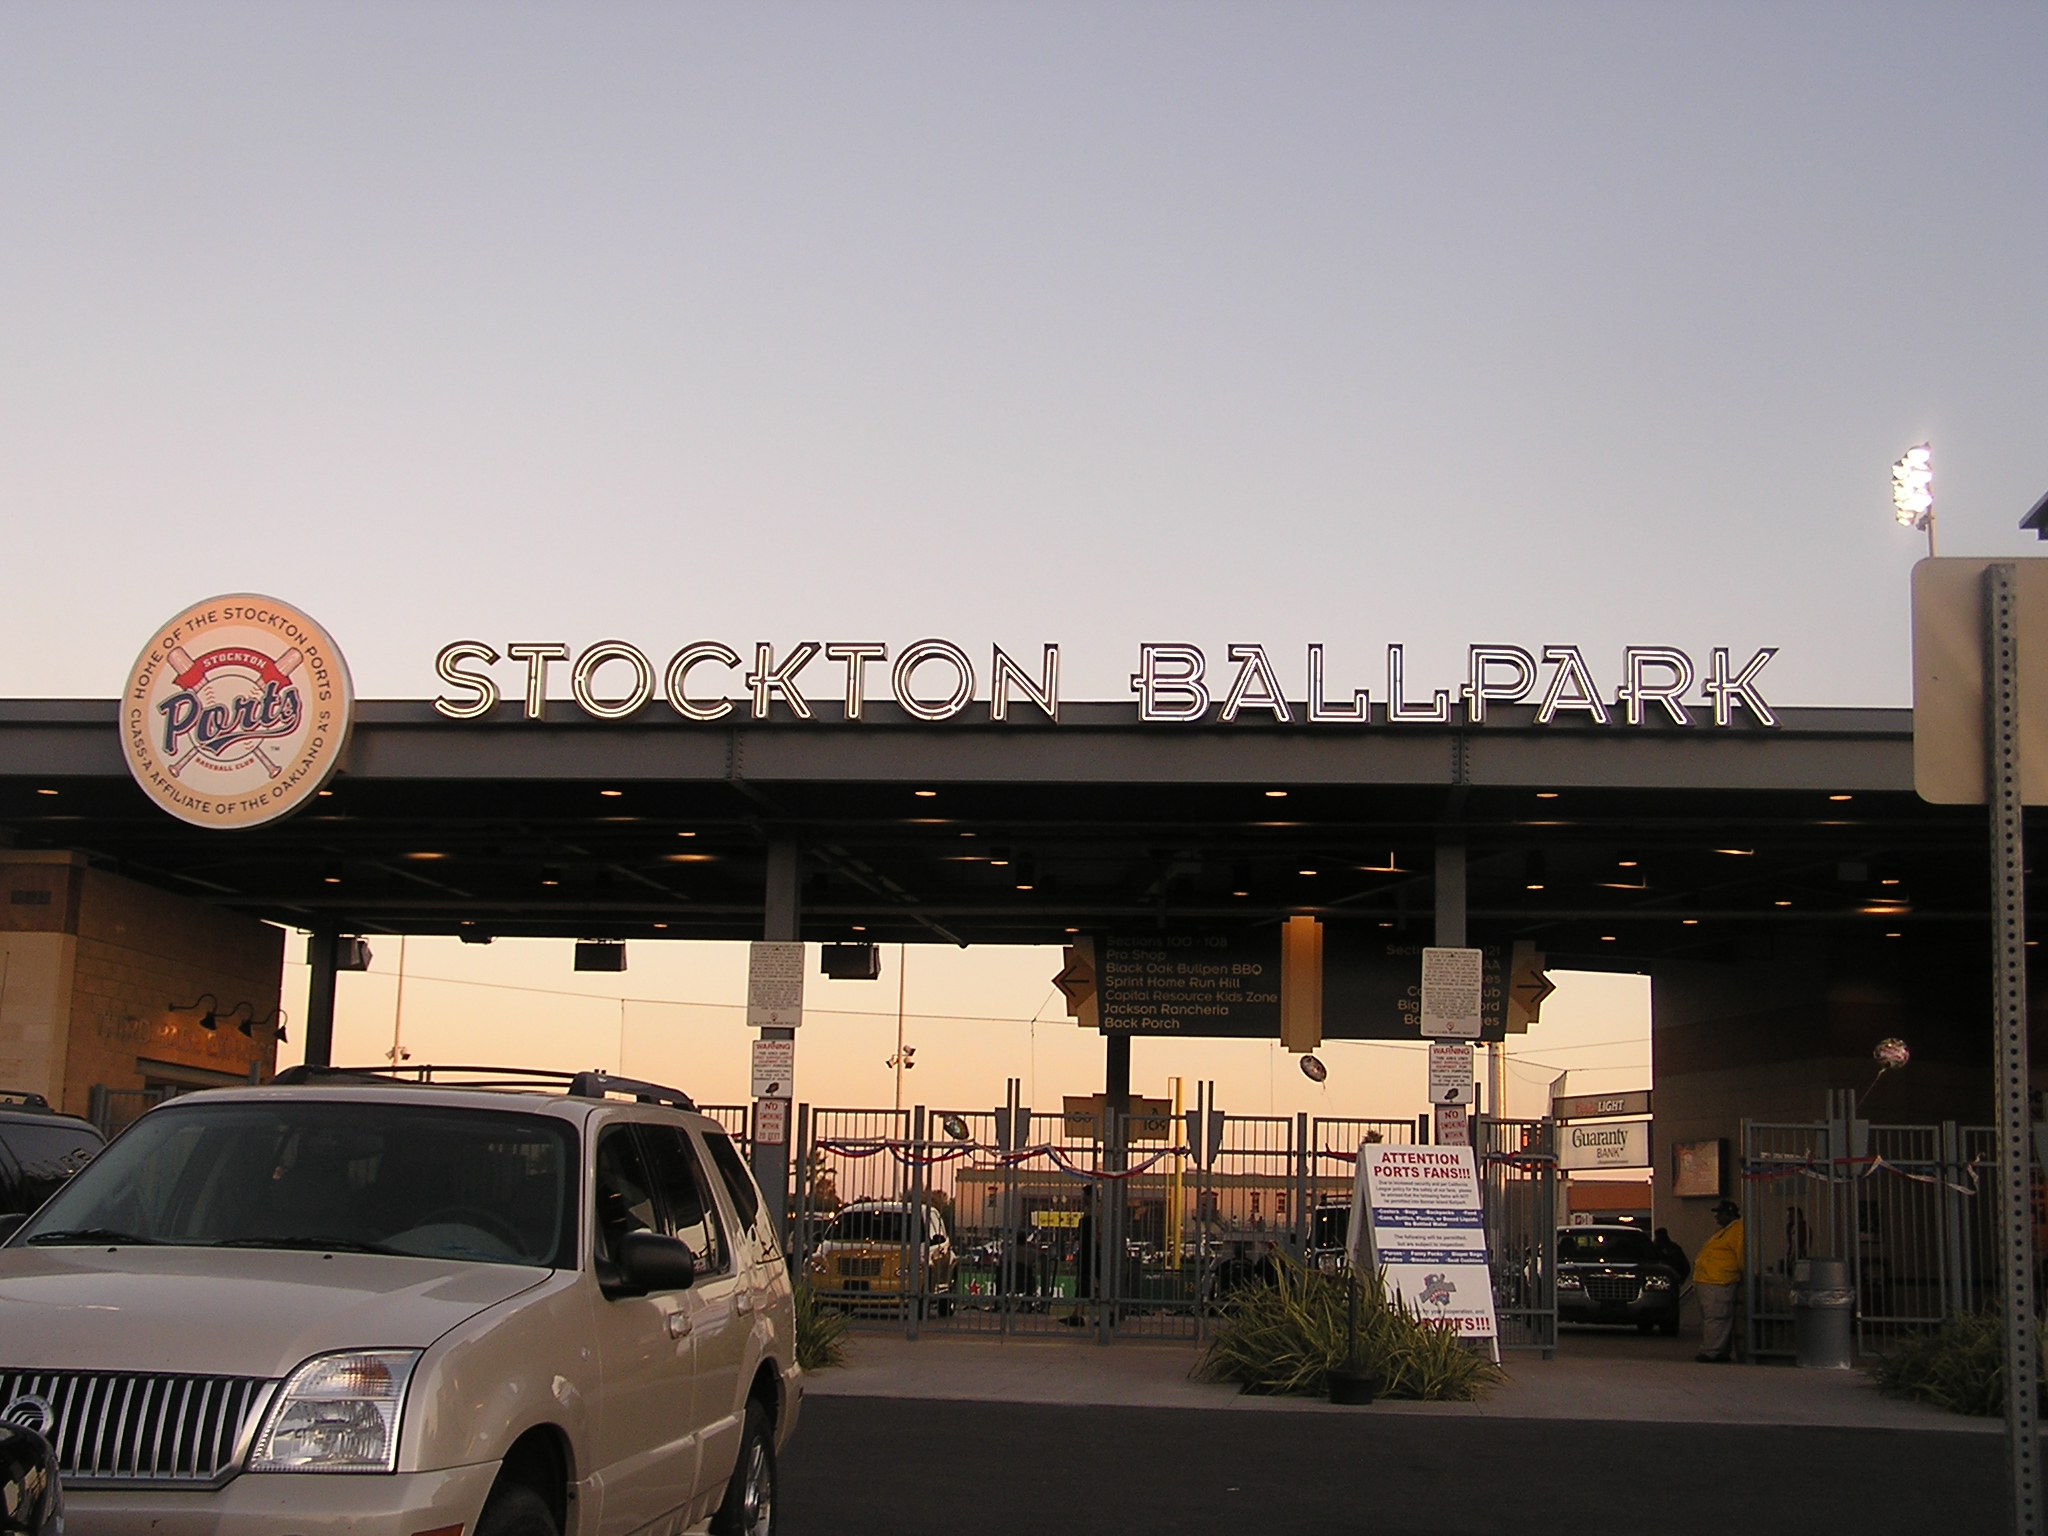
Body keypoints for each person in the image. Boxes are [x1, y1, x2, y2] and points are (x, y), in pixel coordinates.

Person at [1691, 1200, 1744, 1363]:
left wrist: (1748, 1274)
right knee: (1713, 1318)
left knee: (1716, 1317)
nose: (1716, 1217)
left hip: (1719, 1281)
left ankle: (1711, 1352)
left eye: (1719, 1213)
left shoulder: (1738, 1230)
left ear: (1729, 1214)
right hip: (1709, 1280)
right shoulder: (1724, 1231)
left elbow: (1742, 1254)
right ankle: (1720, 1350)